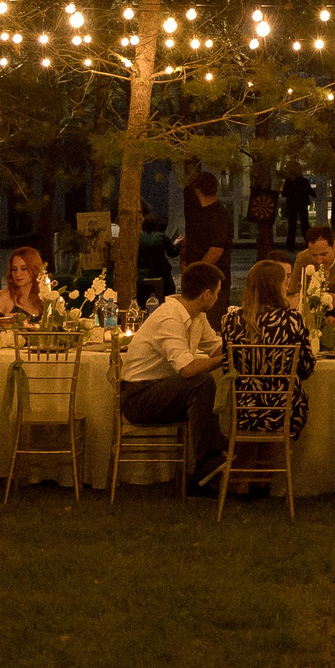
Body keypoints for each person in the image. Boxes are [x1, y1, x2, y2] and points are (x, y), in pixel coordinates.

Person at [120, 259, 227, 489]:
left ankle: (215, 458)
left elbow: (215, 346)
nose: (218, 298)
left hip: (161, 389)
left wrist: (242, 349)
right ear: (206, 295)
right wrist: (226, 360)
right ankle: (209, 464)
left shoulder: (196, 315)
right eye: (217, 293)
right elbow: (187, 369)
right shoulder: (169, 317)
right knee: (201, 383)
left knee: (206, 390)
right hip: (139, 397)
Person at [219, 260, 318, 447]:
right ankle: (275, 461)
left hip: (242, 412)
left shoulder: (231, 320)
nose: (287, 287)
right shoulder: (292, 320)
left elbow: (227, 369)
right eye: (284, 283)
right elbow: (306, 368)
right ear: (276, 287)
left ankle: (248, 461)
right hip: (284, 412)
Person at [181, 171, 233, 295]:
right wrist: (184, 262)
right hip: (197, 278)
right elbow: (189, 239)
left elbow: (216, 251)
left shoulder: (219, 215)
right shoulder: (198, 213)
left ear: (197, 191)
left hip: (212, 281)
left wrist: (195, 272)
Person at [289, 224, 335, 303]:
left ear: (334, 246)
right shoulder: (302, 258)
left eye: (323, 254)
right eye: (314, 255)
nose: (319, 260)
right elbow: (293, 292)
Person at [0, 246, 48, 323]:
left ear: (35, 269)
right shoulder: (4, 296)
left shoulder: (43, 299)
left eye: (24, 268)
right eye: (14, 269)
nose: (18, 274)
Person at [281, 169, 315, 247]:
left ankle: (290, 244)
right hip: (302, 205)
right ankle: (308, 243)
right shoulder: (304, 181)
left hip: (291, 205)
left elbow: (284, 193)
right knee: (305, 224)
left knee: (292, 225)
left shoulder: (288, 181)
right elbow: (311, 192)